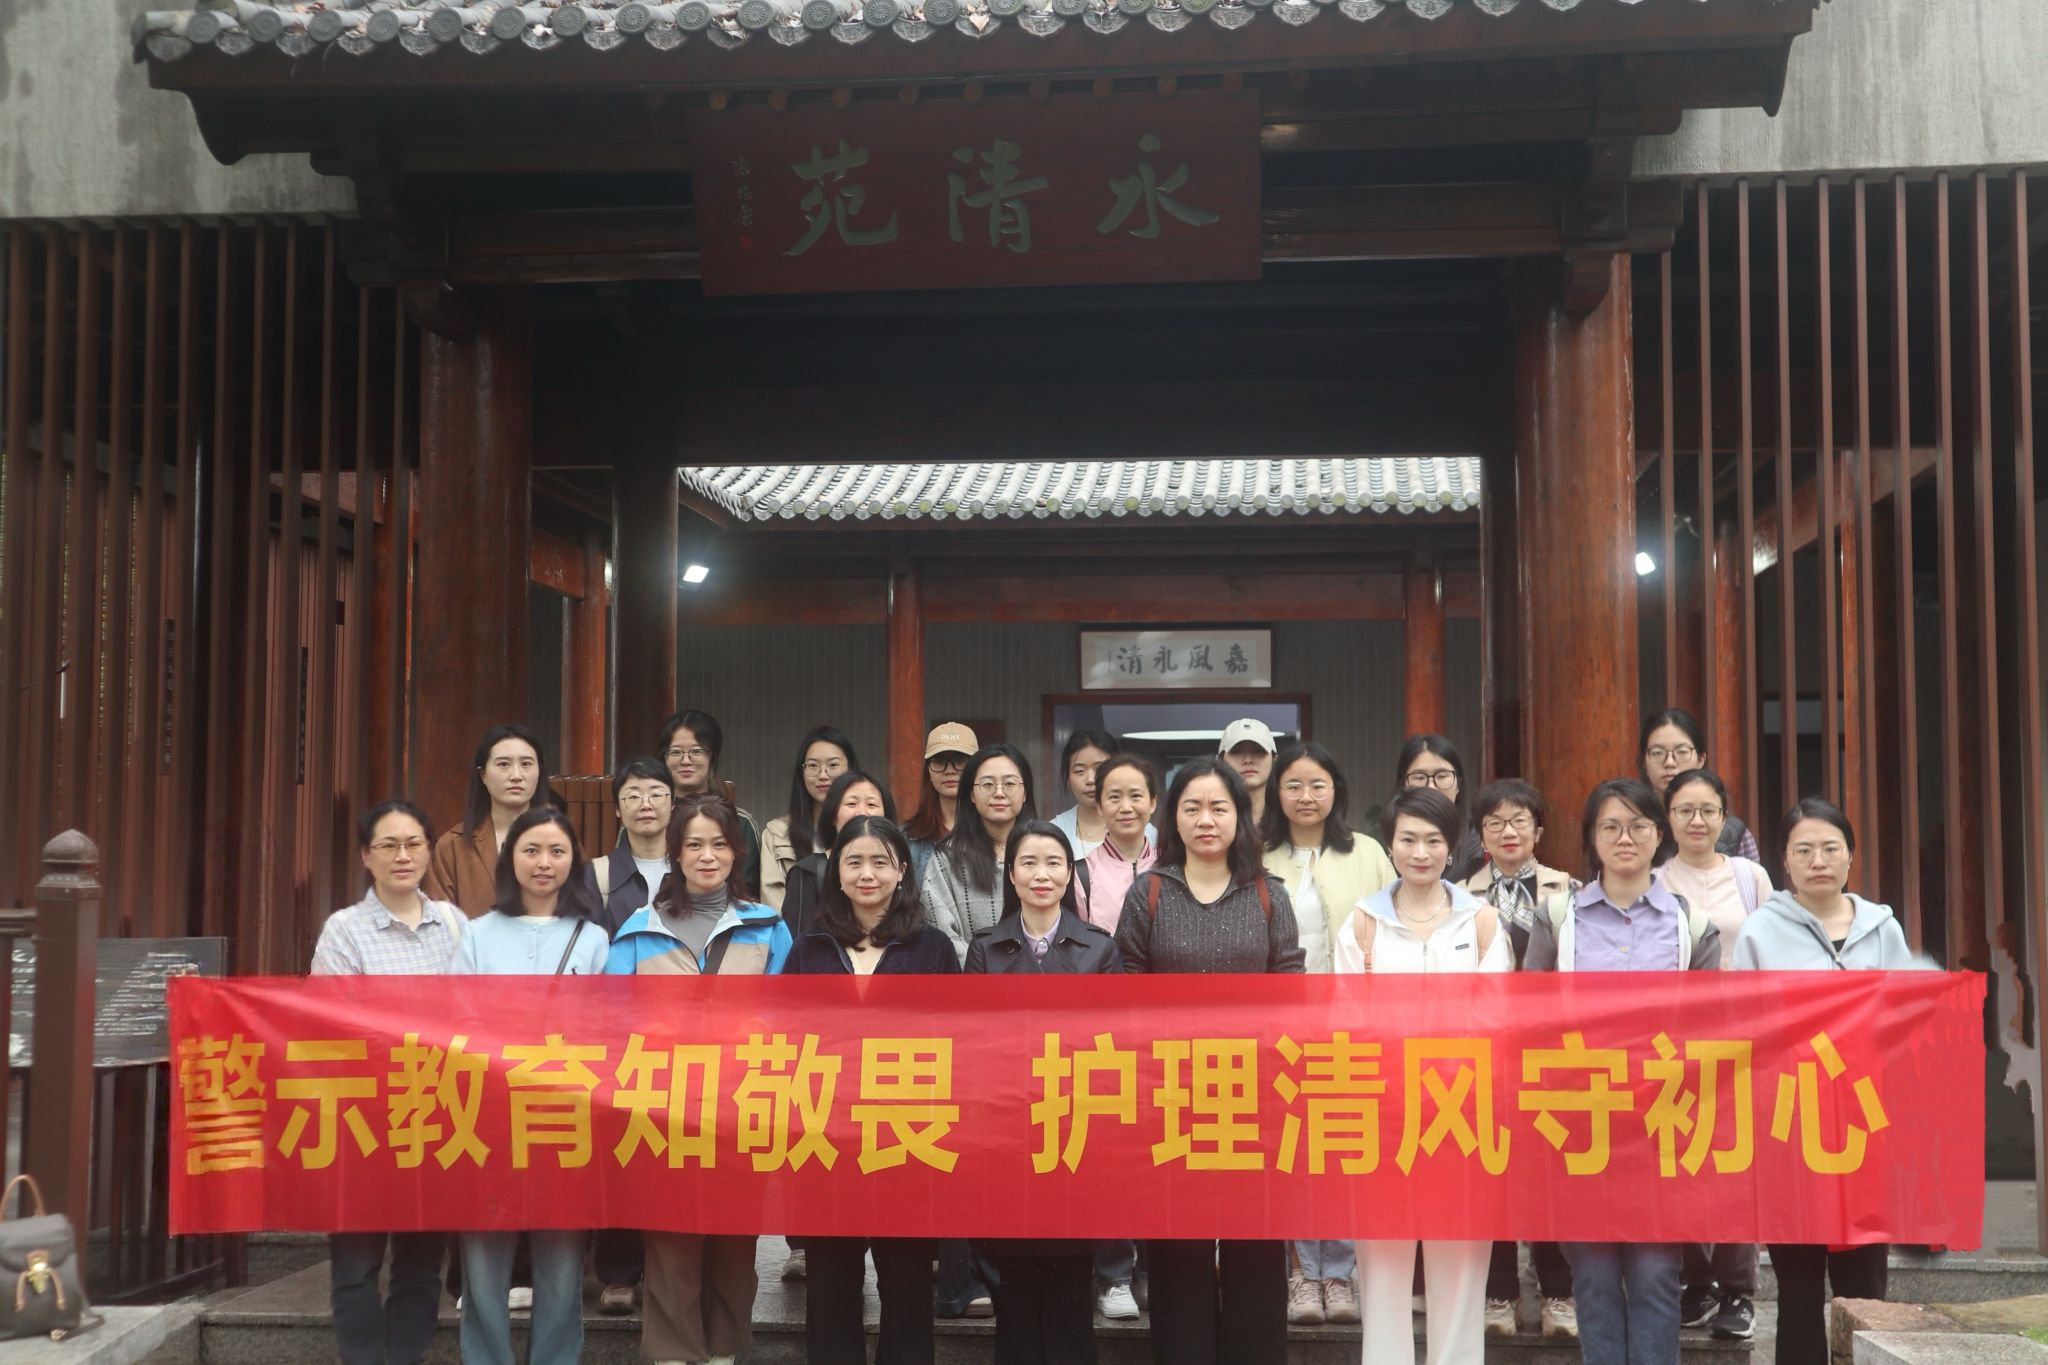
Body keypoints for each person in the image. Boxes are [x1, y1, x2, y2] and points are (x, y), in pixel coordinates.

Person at [1522, 779, 1720, 1365]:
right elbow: (1529, 1019)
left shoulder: (1692, 924)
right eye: (1610, 826)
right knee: (1594, 1277)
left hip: (1662, 1125)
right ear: (1591, 837)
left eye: (1638, 826)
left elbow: (1711, 1028)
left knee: (1657, 1275)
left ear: (1660, 835)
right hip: (1583, 1123)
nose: (1624, 838)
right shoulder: (1558, 918)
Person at [1115, 757, 1302, 1365]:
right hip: (1171, 1095)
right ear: (1172, 817)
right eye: (1192, 807)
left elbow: (1290, 985)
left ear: (1240, 816)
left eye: (1219, 807)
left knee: (1254, 1244)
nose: (1205, 820)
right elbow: (1126, 989)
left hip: (1253, 1097)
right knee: (1179, 1246)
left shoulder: (1268, 893)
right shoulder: (1148, 892)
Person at [1732, 797, 1922, 1365]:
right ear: (1784, 862)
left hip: (1864, 1131)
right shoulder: (1759, 933)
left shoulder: (1883, 928)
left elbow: (1906, 1021)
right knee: (1796, 1288)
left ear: (1850, 856)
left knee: (1863, 1291)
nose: (1818, 860)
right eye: (1804, 850)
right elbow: (1742, 1028)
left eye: (1830, 848)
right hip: (1789, 1131)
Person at [607, 794, 789, 1365]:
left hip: (740, 1110)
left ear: (736, 852)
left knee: (734, 1245)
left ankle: (724, 1352)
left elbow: (792, 1018)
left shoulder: (768, 927)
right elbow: (610, 1022)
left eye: (719, 844)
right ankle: (673, 1355)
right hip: (661, 1111)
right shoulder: (638, 930)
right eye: (694, 845)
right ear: (675, 854)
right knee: (671, 1244)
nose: (707, 856)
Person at [1335, 787, 1511, 1365]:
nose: (1420, 852)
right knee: (1382, 1273)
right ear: (1389, 845)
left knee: (1460, 1272)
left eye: (1433, 840)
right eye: (1408, 839)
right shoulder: (1361, 925)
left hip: (1462, 1119)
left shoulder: (1482, 922)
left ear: (1452, 846)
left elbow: (1494, 1023)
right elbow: (1348, 1026)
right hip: (1384, 1120)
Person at [785, 815, 958, 1365]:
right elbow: (784, 1040)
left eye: (880, 862)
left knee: (907, 1288)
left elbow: (958, 1042)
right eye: (854, 861)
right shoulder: (810, 949)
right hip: (827, 1141)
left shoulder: (932, 948)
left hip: (907, 1138)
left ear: (902, 870)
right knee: (830, 1286)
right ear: (835, 872)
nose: (867, 874)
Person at [449, 808, 606, 1365]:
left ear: (573, 861)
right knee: (483, 1257)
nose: (544, 863)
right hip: (487, 1115)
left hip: (565, 1117)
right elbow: (457, 1022)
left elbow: (606, 1029)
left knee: (561, 1259)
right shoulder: (476, 934)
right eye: (531, 850)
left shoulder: (593, 938)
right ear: (509, 858)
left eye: (557, 851)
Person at [310, 800, 463, 1365]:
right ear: (365, 857)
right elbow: (332, 1023)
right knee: (355, 1267)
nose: (403, 856)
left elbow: (475, 1013)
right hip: (363, 1121)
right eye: (389, 845)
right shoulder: (343, 930)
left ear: (428, 850)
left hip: (433, 1117)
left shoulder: (454, 923)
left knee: (421, 1267)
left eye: (414, 843)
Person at [965, 822, 1122, 1365]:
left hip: (1076, 1131)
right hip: (1007, 1134)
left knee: (1072, 1280)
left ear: (1069, 874)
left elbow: (1112, 1047)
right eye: (1028, 863)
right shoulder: (984, 948)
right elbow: (973, 1044)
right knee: (1013, 1281)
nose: (1041, 874)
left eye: (1054, 863)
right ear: (1010, 874)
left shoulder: (1099, 948)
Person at [1257, 742, 1392, 1328]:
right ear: (1275, 792)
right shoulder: (1255, 852)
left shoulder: (1367, 853)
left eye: (1318, 784)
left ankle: (1338, 1272)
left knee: (1339, 1148)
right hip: (1278, 1027)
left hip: (1351, 1024)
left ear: (1336, 790)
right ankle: (1299, 1272)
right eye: (1293, 785)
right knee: (1289, 1151)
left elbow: (1392, 928)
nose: (1306, 796)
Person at [1460, 778, 1577, 1339]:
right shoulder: (1459, 895)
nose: (1508, 832)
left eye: (1519, 821)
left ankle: (1558, 1293)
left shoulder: (1571, 891)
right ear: (1481, 835)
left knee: (1550, 1172)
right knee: (1492, 1170)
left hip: (1551, 1053)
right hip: (1483, 1053)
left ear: (1538, 829)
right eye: (1495, 823)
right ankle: (1499, 1293)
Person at [1661, 768, 1773, 1341]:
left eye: (1707, 810)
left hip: (1744, 1040)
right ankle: (1697, 1279)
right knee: (1682, 1160)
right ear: (1669, 819)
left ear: (1724, 818)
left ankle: (1738, 1289)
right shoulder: (1656, 879)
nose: (1697, 821)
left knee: (1736, 1162)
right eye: (1684, 810)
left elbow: (1773, 950)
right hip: (1677, 1044)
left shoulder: (1750, 878)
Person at [923, 742, 1037, 965]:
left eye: (1010, 783)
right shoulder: (947, 858)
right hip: (972, 980)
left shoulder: (1046, 853)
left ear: (1025, 793)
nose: (999, 793)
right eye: (987, 784)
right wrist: (985, 972)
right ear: (972, 795)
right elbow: (941, 932)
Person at [426, 722, 551, 915]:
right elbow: (441, 923)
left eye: (526, 764)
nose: (516, 775)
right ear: (483, 774)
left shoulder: (562, 842)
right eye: (503, 764)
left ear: (539, 771)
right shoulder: (452, 846)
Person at [780, 769, 894, 938]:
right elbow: (795, 945)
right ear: (833, 815)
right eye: (851, 804)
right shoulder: (807, 873)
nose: (862, 812)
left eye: (871, 805)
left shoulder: (896, 868)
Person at [658, 708, 764, 890]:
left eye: (696, 751)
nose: (685, 760)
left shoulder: (740, 822)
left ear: (713, 758)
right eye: (675, 752)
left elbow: (748, 888)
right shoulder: (649, 819)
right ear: (665, 759)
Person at [760, 724, 861, 911]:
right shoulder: (776, 834)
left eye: (833, 765)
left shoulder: (867, 831)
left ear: (851, 769)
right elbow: (773, 904)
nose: (822, 775)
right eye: (813, 765)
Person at [1638, 707, 1760, 861]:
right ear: (1644, 762)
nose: (1669, 762)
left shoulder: (1734, 834)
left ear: (1701, 759)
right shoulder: (1628, 827)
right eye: (1657, 753)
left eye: (1682, 752)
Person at [579, 757, 677, 939]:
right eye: (633, 797)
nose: (646, 805)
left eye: (656, 795)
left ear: (672, 803)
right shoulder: (594, 875)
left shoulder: (690, 869)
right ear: (617, 808)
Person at [1073, 753, 1158, 937]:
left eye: (1136, 796)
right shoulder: (1082, 875)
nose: (1126, 807)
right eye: (1114, 797)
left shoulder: (1170, 868)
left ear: (1152, 803)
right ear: (1100, 806)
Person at [1394, 734, 1484, 882]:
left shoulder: (1479, 837)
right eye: (1419, 777)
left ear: (1458, 785)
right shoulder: (1390, 838)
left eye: (1441, 776)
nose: (1431, 787)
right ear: (1403, 784)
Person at [903, 721, 978, 884]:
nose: (949, 770)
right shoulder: (907, 838)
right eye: (939, 761)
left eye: (960, 761)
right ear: (928, 771)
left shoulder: (994, 833)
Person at [1049, 727, 1118, 858]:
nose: (1090, 779)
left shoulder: (1145, 832)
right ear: (1068, 778)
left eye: (1100, 768)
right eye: (1079, 771)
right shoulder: (1053, 831)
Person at [1218, 717, 1278, 825]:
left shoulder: (1288, 817)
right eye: (1237, 751)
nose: (1248, 760)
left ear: (1274, 759)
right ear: (1221, 760)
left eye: (1259, 751)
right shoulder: (1212, 819)